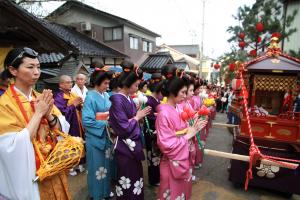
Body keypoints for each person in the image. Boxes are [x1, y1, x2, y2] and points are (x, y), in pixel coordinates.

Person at [0, 47, 71, 199]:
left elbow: (61, 130)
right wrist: (39, 113)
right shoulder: (4, 104)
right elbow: (10, 147)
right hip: (29, 172)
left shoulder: (41, 97)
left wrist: (49, 115)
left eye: (38, 67)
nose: (37, 72)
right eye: (30, 67)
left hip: (52, 166)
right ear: (13, 70)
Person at [155, 65, 207, 200]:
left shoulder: (177, 108)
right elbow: (165, 144)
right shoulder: (164, 113)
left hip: (182, 157)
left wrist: (195, 128)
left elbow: (185, 129)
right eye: (183, 92)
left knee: (181, 193)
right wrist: (188, 136)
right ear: (173, 92)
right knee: (170, 194)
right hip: (172, 161)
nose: (185, 96)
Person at [109, 61, 151, 200]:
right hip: (125, 147)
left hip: (132, 144)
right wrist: (137, 117)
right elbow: (122, 127)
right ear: (127, 85)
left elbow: (130, 119)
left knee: (135, 176)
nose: (138, 88)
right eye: (136, 85)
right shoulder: (117, 100)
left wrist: (138, 114)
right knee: (127, 176)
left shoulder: (127, 98)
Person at [82, 67, 114, 200]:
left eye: (108, 83)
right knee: (96, 167)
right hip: (95, 137)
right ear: (97, 82)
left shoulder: (106, 95)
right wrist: (106, 123)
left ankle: (105, 191)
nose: (108, 86)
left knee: (106, 166)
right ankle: (96, 194)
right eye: (105, 83)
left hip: (106, 135)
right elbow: (87, 121)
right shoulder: (90, 97)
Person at [54, 75, 85, 175]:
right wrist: (73, 105)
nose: (70, 84)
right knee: (69, 145)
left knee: (78, 143)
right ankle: (69, 167)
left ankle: (79, 164)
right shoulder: (58, 96)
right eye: (67, 82)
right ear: (61, 84)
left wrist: (79, 105)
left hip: (77, 123)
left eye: (70, 82)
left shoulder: (72, 94)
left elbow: (77, 107)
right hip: (69, 125)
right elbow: (61, 113)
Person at [143, 73, 163, 186]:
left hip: (156, 130)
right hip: (150, 131)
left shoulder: (156, 100)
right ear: (158, 91)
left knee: (157, 155)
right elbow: (149, 116)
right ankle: (153, 179)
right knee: (152, 156)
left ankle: (157, 177)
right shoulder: (149, 100)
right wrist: (160, 115)